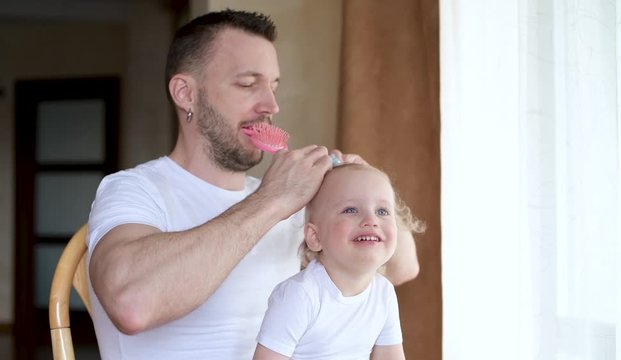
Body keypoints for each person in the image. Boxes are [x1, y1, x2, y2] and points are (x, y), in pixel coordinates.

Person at [86, 9, 420, 360]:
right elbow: (131, 305)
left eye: (273, 87)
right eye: (248, 84)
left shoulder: (293, 200)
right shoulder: (134, 190)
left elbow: (403, 268)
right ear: (186, 93)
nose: (271, 105)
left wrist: (370, 198)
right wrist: (271, 201)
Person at [252, 163, 426, 360]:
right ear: (315, 237)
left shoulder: (383, 293)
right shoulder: (300, 295)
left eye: (382, 211)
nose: (371, 220)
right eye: (351, 210)